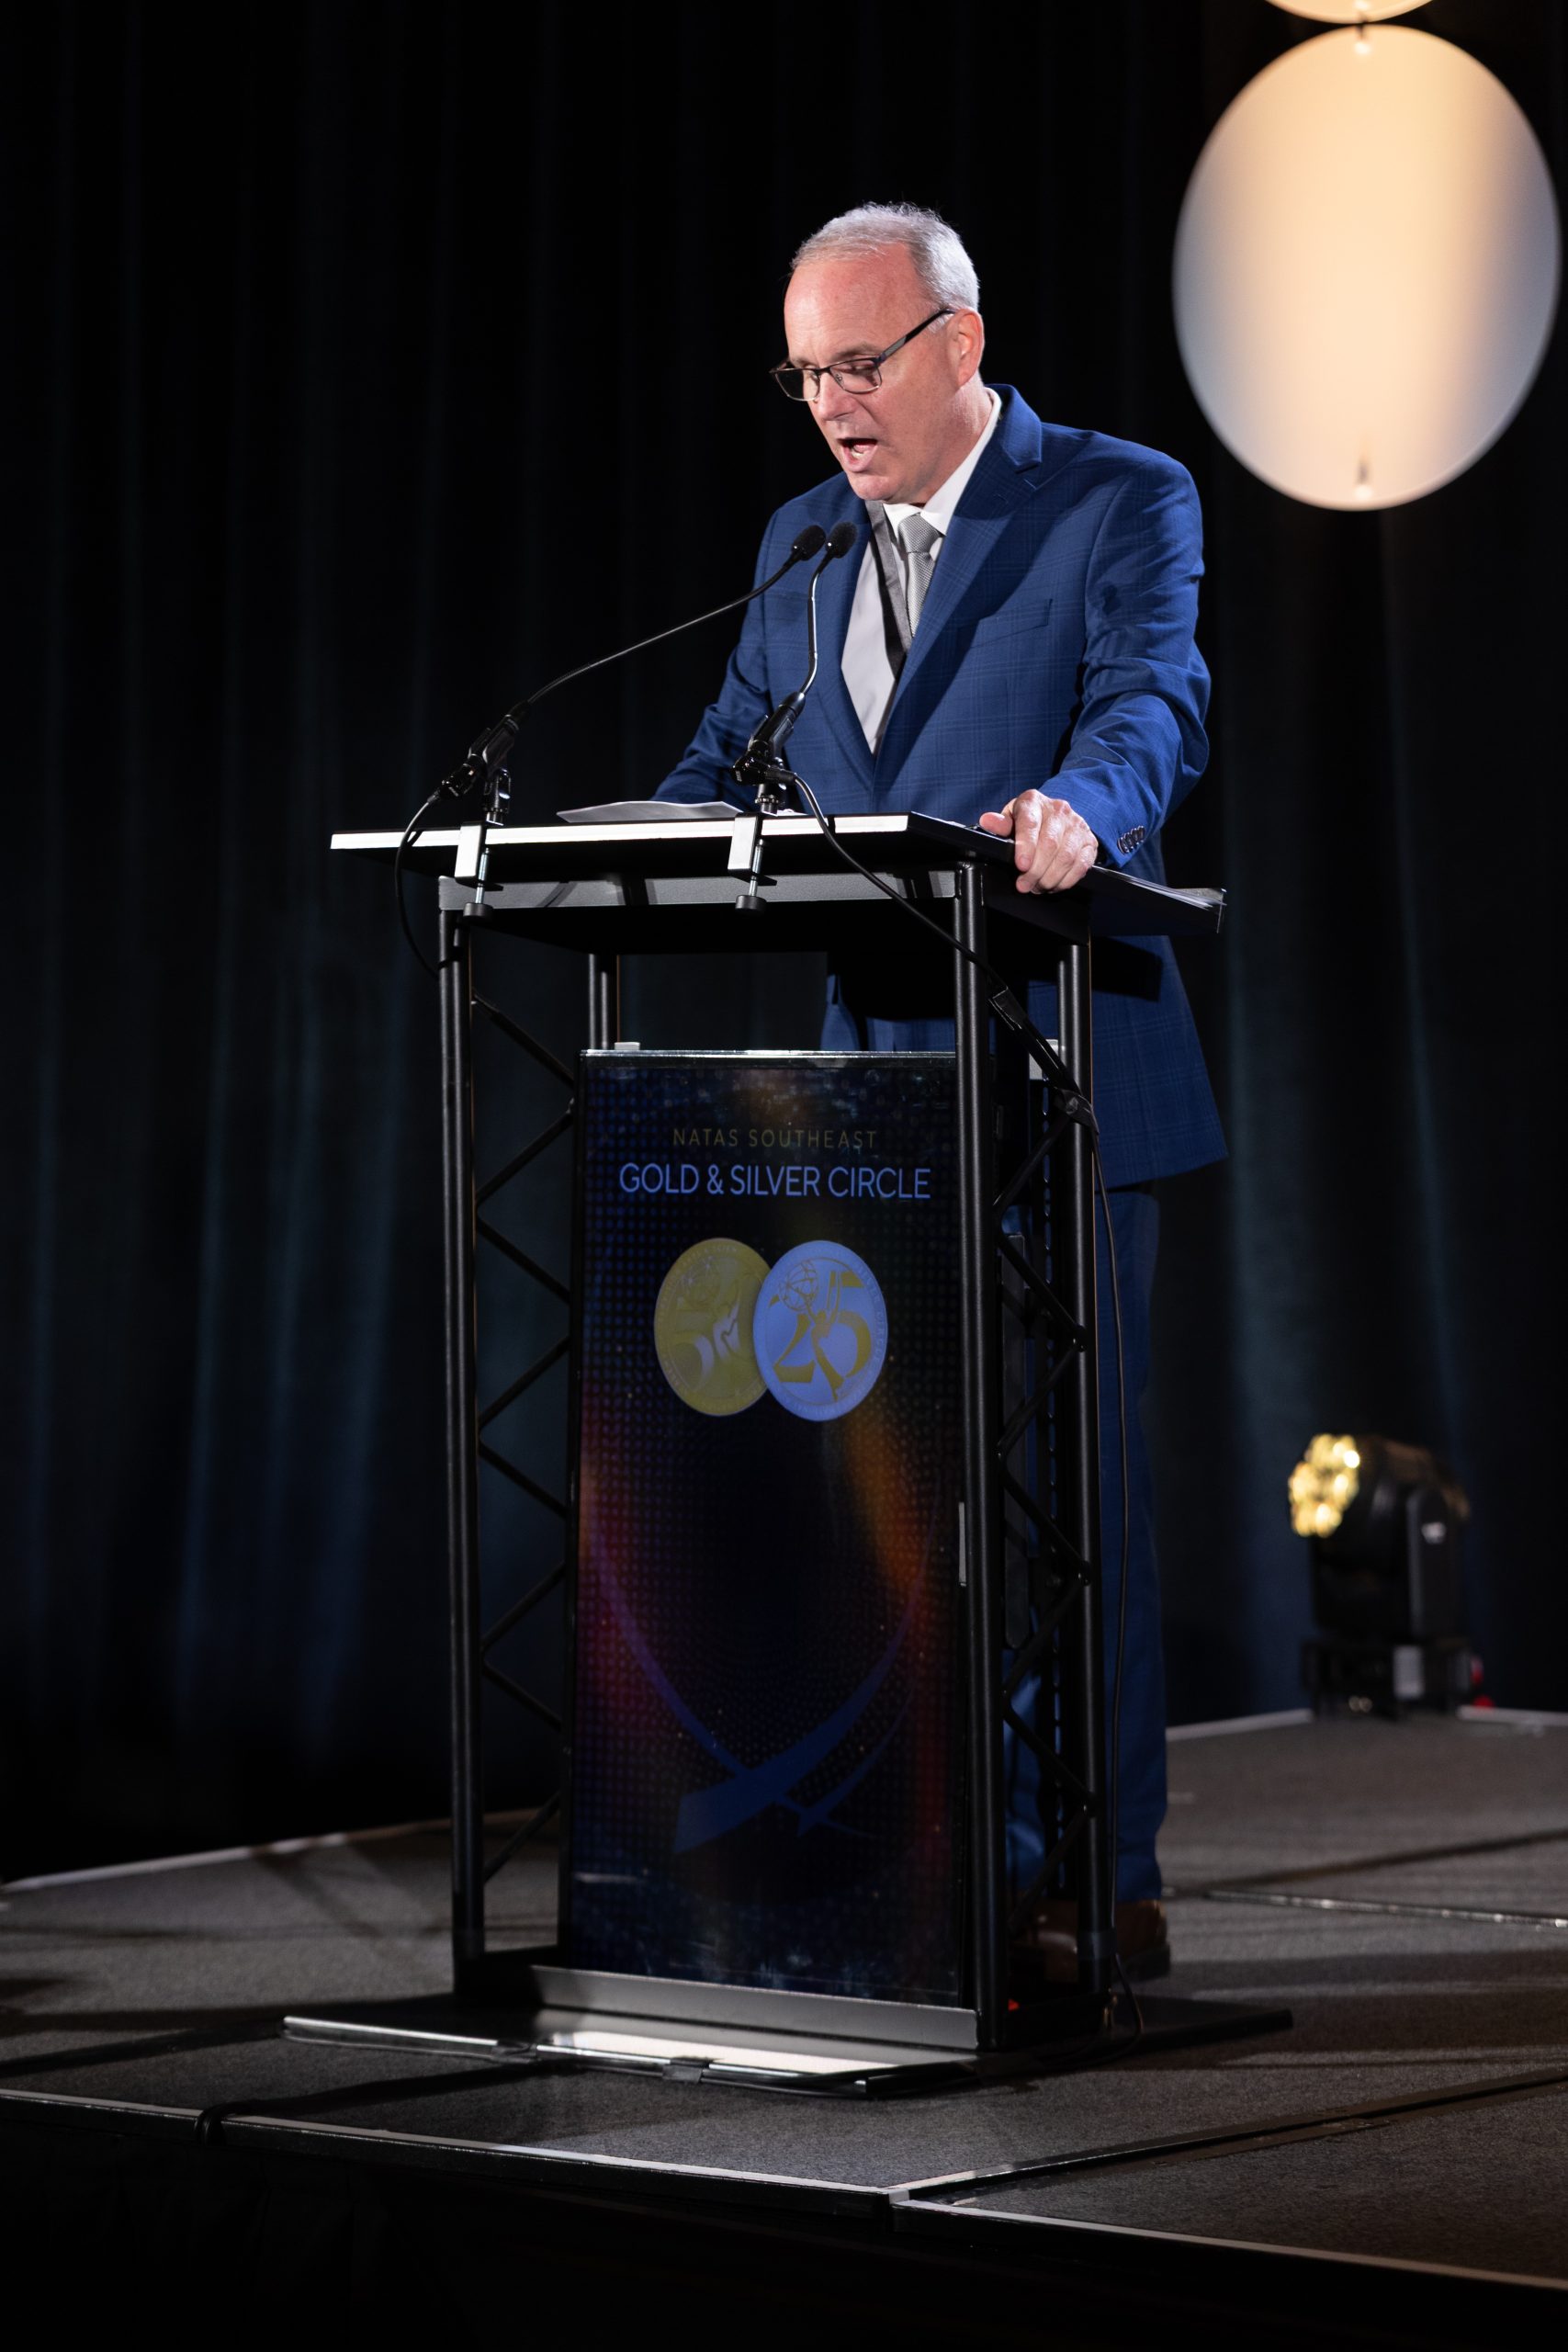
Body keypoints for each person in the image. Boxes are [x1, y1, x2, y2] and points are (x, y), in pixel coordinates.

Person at [658, 203, 1224, 1982]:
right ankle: (936, 1858)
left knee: (1068, 1491)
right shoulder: (800, 541)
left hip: (1066, 1059)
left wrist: (1082, 811)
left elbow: (1153, 703)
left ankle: (1095, 1875)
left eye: (857, 362)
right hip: (872, 1095)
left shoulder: (1113, 496)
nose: (829, 401)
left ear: (957, 343)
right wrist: (608, 842)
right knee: (899, 1493)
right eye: (803, 373)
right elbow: (726, 757)